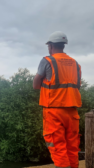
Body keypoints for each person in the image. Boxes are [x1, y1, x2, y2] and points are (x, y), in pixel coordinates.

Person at [33, 31, 82, 168]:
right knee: (72, 147)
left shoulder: (47, 60)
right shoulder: (75, 64)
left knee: (56, 146)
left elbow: (36, 84)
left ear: (50, 46)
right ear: (63, 45)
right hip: (73, 112)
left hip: (53, 111)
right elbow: (77, 86)